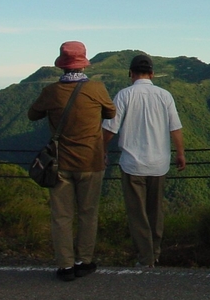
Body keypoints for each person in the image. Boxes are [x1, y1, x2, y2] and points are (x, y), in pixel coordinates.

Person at [28, 41, 116, 281]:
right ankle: (84, 261)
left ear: (62, 65)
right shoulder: (97, 89)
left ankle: (65, 266)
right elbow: (111, 113)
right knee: (88, 213)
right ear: (84, 63)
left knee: (61, 216)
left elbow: (32, 114)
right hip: (91, 161)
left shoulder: (51, 92)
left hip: (60, 163)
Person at [102, 54, 186, 268]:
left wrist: (101, 150)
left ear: (130, 73)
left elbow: (110, 128)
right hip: (159, 163)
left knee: (137, 213)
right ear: (152, 73)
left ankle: (145, 257)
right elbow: (175, 127)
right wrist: (180, 153)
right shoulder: (165, 95)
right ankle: (155, 253)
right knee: (155, 210)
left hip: (132, 164)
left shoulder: (124, 95)